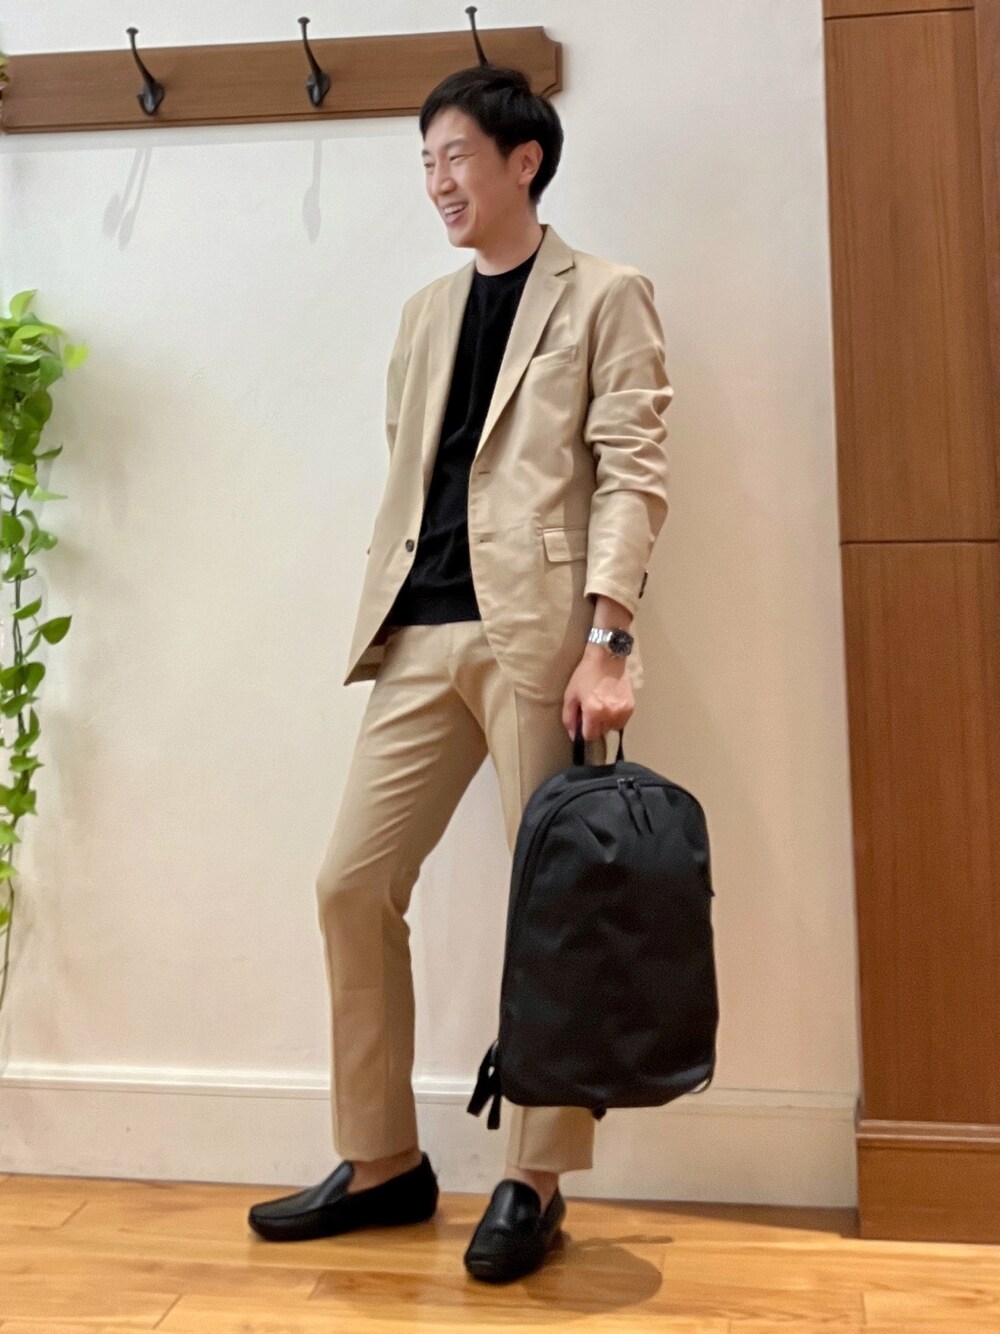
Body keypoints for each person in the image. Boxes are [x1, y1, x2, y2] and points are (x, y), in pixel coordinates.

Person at [248, 62, 673, 1283]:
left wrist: (608, 639)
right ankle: (383, 1158)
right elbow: (416, 468)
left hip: (543, 638)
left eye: (455, 157)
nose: (437, 181)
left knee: (554, 904)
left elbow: (633, 469)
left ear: (522, 161)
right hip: (419, 632)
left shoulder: (606, 294)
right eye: (425, 162)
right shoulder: (424, 313)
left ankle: (535, 1176)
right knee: (351, 881)